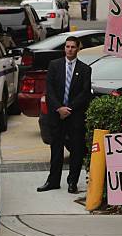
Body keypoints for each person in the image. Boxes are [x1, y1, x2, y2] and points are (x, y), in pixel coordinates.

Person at [37, 36, 92, 194]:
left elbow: (84, 93)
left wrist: (68, 109)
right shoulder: (54, 65)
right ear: (64, 48)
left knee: (76, 150)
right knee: (56, 149)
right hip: (57, 115)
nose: (69, 49)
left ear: (78, 49)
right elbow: (50, 91)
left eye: (73, 47)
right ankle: (53, 181)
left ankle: (72, 182)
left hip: (74, 116)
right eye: (67, 46)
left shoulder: (85, 69)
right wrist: (59, 108)